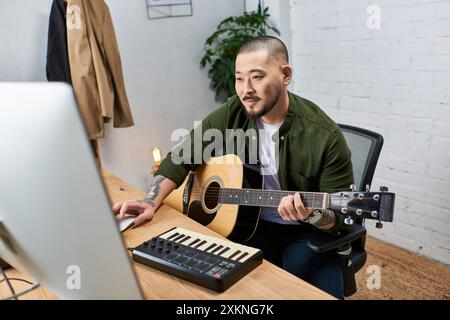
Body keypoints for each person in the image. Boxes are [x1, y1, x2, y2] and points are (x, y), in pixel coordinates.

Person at [113, 36, 354, 298]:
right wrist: (150, 200)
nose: (245, 89)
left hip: (302, 233)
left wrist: (311, 215)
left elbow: (337, 220)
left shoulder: (325, 136)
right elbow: (182, 154)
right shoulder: (234, 111)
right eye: (239, 78)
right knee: (192, 277)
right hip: (244, 224)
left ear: (285, 75)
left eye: (257, 77)